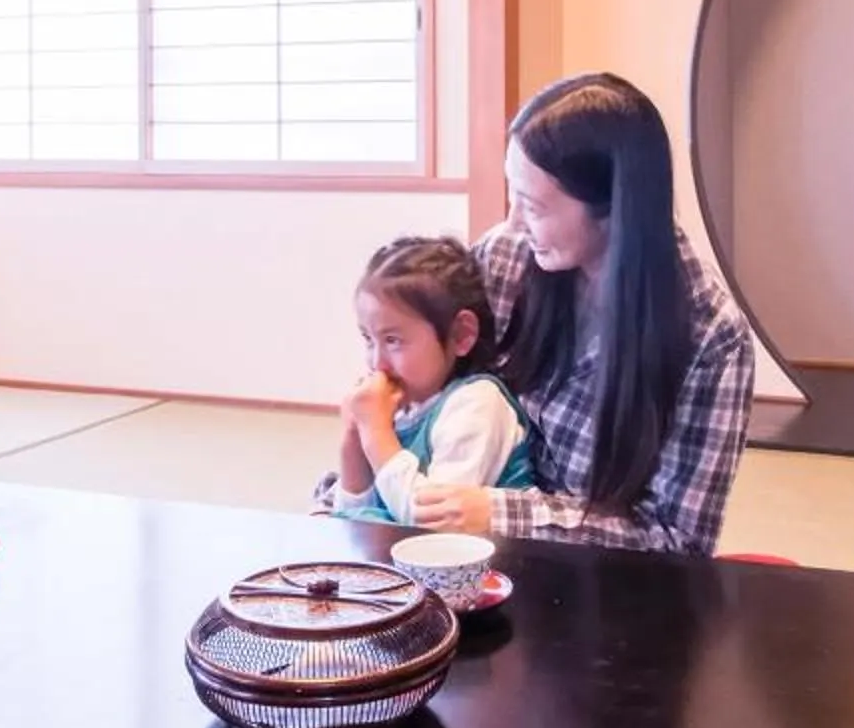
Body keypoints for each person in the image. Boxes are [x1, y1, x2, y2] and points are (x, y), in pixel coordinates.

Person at [410, 73, 754, 554]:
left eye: (533, 206)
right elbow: (416, 399)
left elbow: (677, 539)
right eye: (514, 195)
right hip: (473, 557)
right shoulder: (506, 257)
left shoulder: (711, 336)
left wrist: (500, 513)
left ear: (613, 206)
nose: (512, 222)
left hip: (605, 586)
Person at [317, 236, 535, 524]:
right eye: (368, 339)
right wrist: (353, 439)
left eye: (393, 340)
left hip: (489, 565)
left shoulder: (478, 403)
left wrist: (376, 434)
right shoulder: (397, 406)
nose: (376, 362)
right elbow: (352, 520)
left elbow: (433, 525)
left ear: (460, 335)